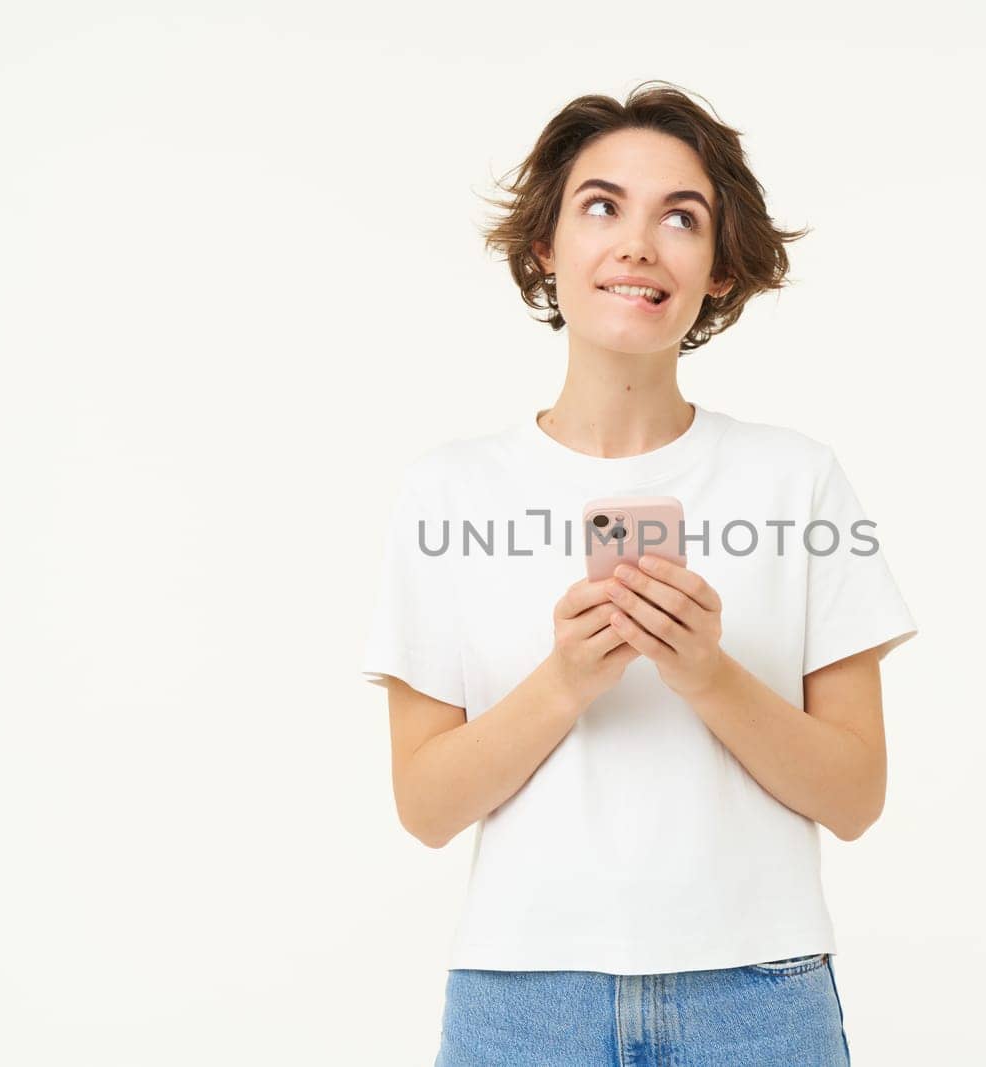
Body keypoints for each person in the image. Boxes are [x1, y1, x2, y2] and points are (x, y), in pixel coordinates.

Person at [361, 81, 919, 1066]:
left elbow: (856, 793)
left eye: (681, 217)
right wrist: (566, 679)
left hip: (760, 995)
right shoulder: (448, 489)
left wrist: (706, 670)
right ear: (546, 246)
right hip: (522, 998)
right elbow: (425, 805)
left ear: (716, 269)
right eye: (602, 206)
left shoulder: (798, 478)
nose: (637, 244)